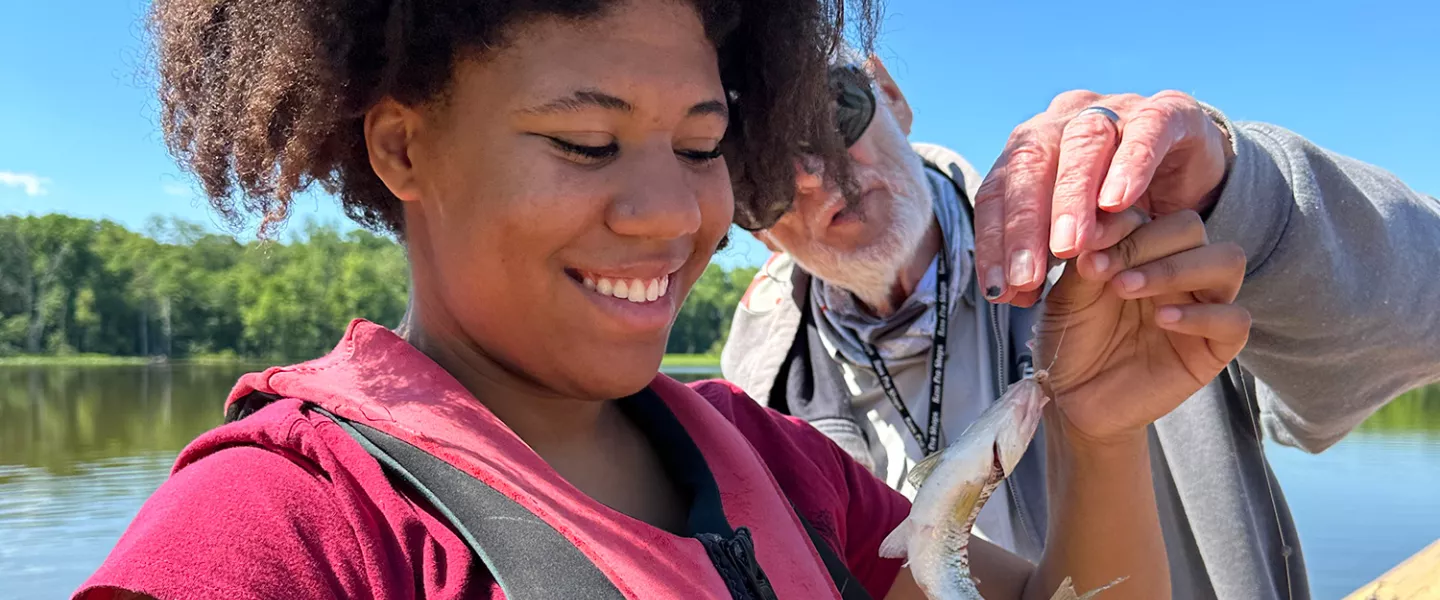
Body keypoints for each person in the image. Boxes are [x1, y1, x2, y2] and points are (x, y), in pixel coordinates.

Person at [74, 1, 1253, 599]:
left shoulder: (785, 465)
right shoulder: (284, 532)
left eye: (701, 146)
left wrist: (1099, 434)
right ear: (401, 149)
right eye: (587, 142)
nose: (669, 213)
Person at [721, 54, 1440, 600]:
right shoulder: (748, 409)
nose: (812, 175)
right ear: (744, 220)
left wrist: (1245, 203)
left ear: (892, 95)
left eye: (828, 112)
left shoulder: (1126, 240)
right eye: (755, 172)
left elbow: (1423, 324)